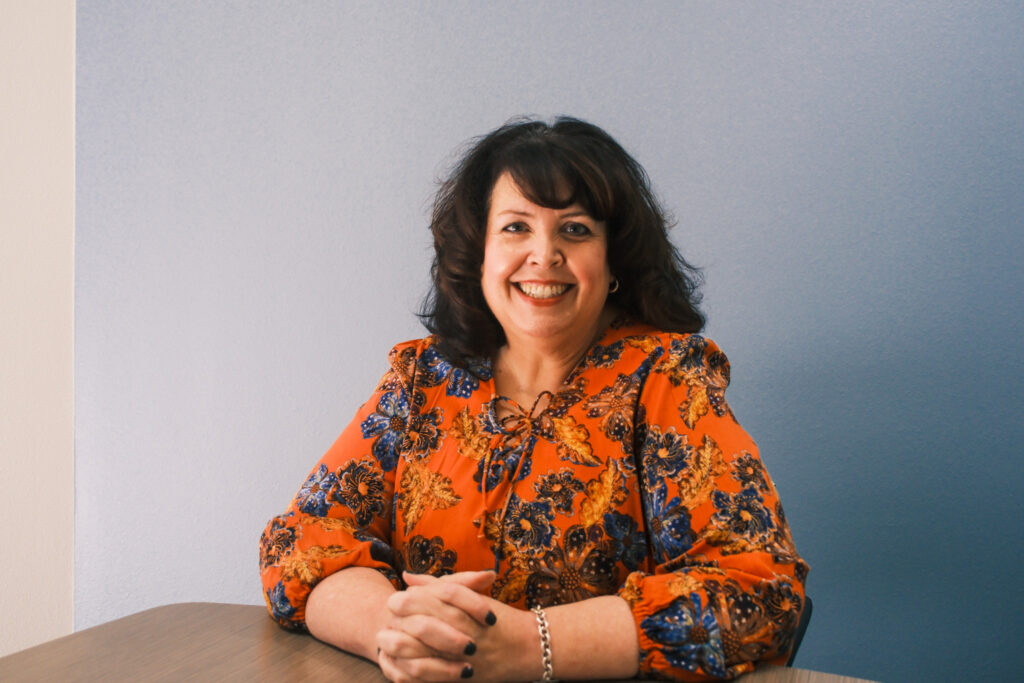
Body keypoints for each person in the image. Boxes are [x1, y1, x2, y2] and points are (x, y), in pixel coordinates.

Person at [259, 117, 808, 682]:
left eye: (574, 230)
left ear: (612, 259)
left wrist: (527, 645)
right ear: (480, 253)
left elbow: (758, 589)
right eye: (516, 227)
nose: (543, 255)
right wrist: (393, 629)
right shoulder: (420, 378)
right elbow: (299, 540)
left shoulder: (667, 378)